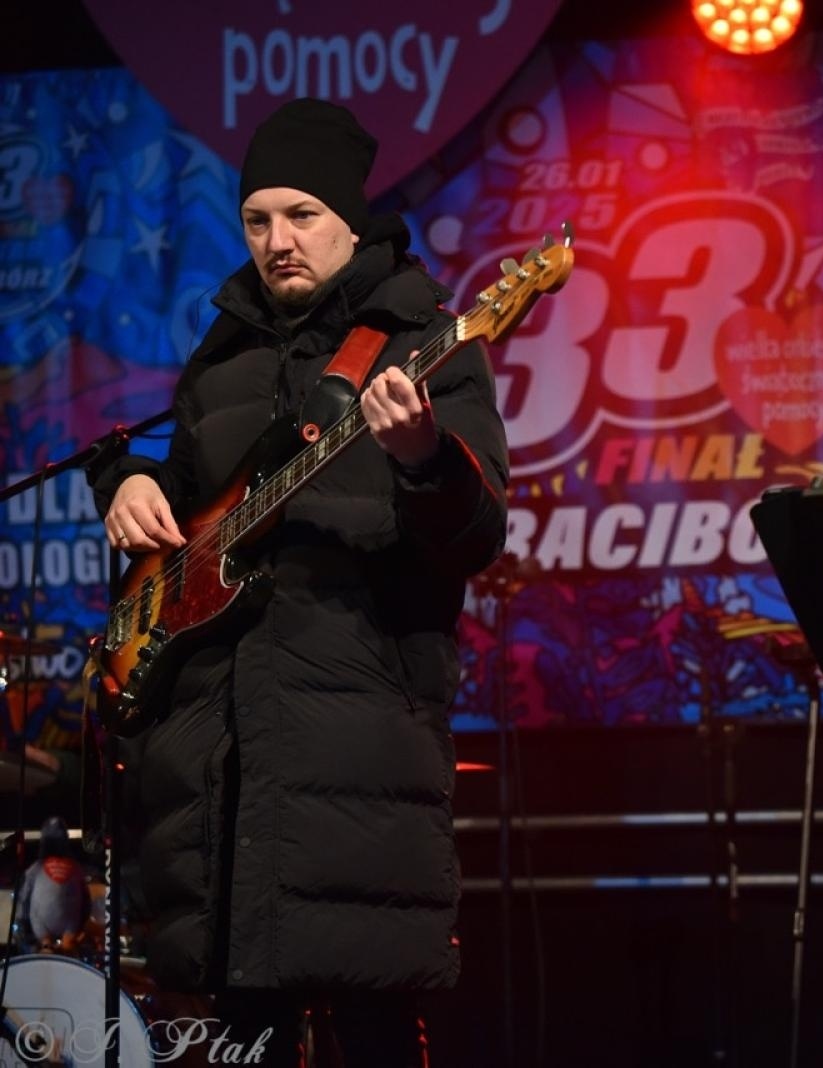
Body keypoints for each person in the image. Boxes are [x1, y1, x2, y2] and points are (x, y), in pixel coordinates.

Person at [92, 98, 509, 1066]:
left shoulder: (421, 340)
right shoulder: (222, 356)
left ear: (352, 219)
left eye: (302, 215)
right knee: (237, 1029)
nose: (278, 241)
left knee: (369, 1011)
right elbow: (171, 499)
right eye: (257, 219)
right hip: (214, 754)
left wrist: (423, 455)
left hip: (355, 739)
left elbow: (474, 534)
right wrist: (129, 484)